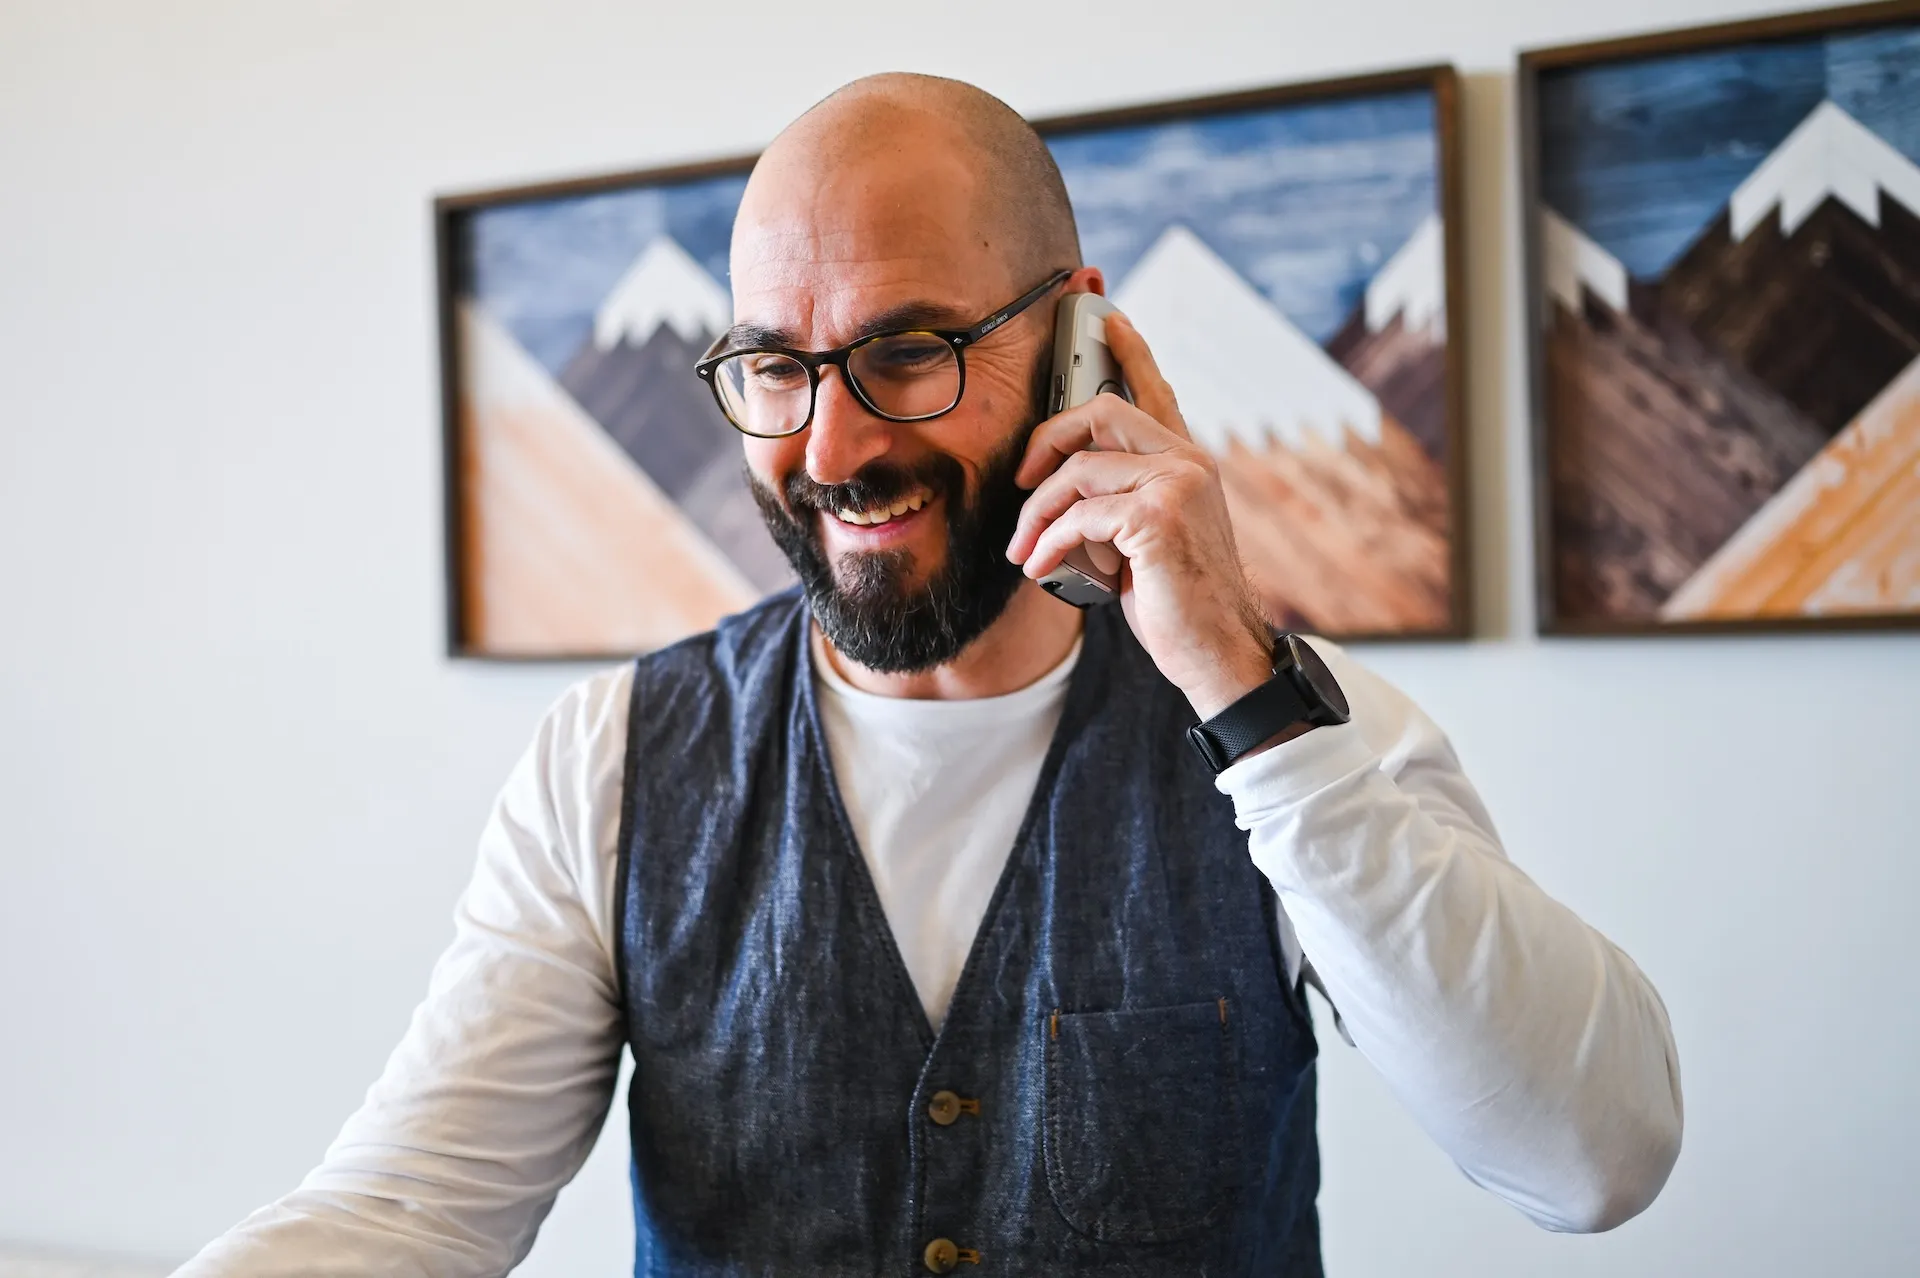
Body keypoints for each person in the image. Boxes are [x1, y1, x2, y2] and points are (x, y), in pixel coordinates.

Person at [177, 73, 1682, 1277]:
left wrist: (1240, 681)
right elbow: (406, 1212)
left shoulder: (1298, 729)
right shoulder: (616, 758)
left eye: (907, 350)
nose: (830, 451)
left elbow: (1592, 1153)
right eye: (776, 365)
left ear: (1080, 338)